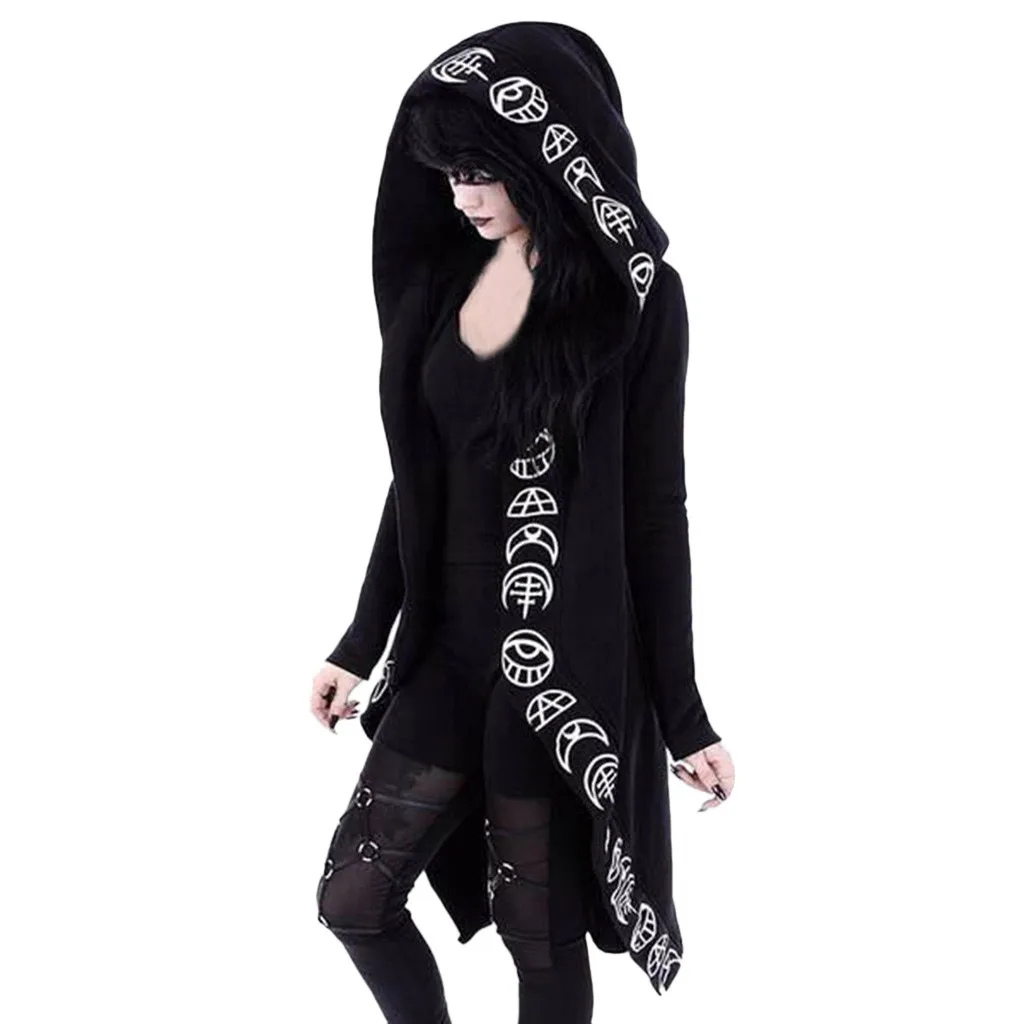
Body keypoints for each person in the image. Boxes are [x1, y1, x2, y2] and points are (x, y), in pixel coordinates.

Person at [309, 21, 735, 1023]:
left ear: (548, 155)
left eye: (479, 171)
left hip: (559, 662)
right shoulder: (445, 282)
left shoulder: (638, 300)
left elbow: (656, 510)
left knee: (537, 934)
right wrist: (361, 641)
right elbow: (417, 482)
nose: (461, 196)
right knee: (354, 899)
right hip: (445, 651)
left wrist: (683, 712)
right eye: (447, 174)